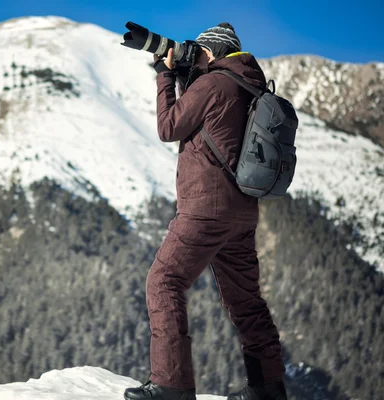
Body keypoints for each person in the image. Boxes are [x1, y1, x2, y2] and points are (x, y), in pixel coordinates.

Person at [123, 23, 288, 400]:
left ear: (210, 53)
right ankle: (268, 388)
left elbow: (170, 127)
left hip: (205, 209)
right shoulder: (249, 86)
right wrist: (187, 74)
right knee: (246, 302)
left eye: (197, 54)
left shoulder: (212, 85)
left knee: (164, 281)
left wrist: (165, 76)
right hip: (242, 212)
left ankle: (171, 385)